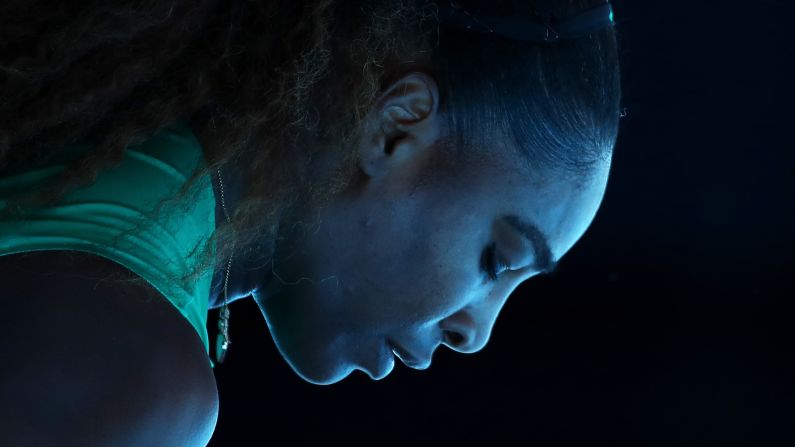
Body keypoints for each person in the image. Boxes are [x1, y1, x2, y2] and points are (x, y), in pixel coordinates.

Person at [0, 0, 622, 443]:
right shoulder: (125, 373)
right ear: (395, 127)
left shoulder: (81, 159)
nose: (475, 333)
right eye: (496, 259)